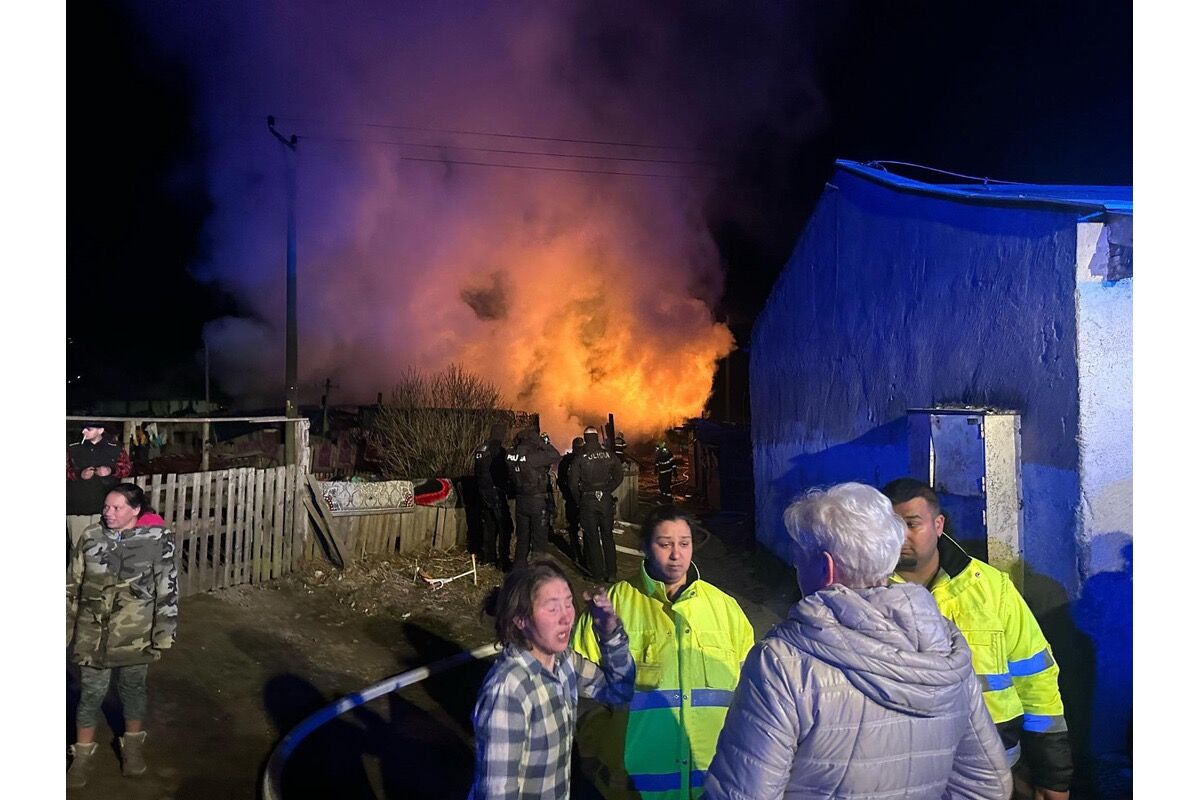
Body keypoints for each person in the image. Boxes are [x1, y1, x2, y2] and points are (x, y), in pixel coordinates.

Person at [705, 483, 1011, 800]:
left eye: (800, 559)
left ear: (825, 567)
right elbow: (986, 785)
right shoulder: (946, 647)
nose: (796, 568)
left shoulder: (782, 664)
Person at [883, 478, 1073, 800]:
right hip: (902, 775)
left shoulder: (991, 589)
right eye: (890, 525)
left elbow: (1037, 680)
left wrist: (1053, 776)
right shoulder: (863, 593)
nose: (900, 536)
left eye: (911, 524)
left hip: (995, 769)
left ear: (938, 524)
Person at [571, 505, 755, 799]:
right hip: (631, 789)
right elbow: (579, 694)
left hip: (711, 787)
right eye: (664, 544)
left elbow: (751, 699)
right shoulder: (612, 607)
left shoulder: (726, 610)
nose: (676, 554)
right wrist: (597, 758)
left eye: (684, 543)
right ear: (644, 547)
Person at [469, 558, 634, 799]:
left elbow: (620, 690)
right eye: (553, 608)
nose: (566, 617)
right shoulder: (507, 691)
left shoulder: (563, 660)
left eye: (569, 604)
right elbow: (498, 793)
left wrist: (609, 632)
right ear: (521, 619)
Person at [66, 483, 178, 788]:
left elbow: (167, 587)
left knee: (132, 690)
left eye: (116, 508)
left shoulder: (157, 540)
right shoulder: (90, 537)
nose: (108, 513)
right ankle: (82, 756)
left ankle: (132, 749)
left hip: (135, 633)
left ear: (135, 510)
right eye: (106, 507)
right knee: (90, 694)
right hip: (93, 633)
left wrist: (164, 632)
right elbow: (72, 584)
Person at [568, 426, 625, 582]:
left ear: (585, 438)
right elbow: (619, 476)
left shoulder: (580, 458)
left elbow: (572, 483)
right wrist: (607, 489)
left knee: (592, 537)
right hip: (605, 500)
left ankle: (597, 574)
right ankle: (612, 573)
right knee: (608, 536)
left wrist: (580, 500)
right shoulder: (609, 455)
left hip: (588, 501)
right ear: (597, 437)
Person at [67, 421, 133, 550]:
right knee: (78, 547)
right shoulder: (72, 448)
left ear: (100, 430)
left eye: (88, 429)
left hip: (105, 508)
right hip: (77, 506)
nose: (83, 432)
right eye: (83, 428)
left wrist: (111, 470)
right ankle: (78, 571)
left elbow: (127, 469)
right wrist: (79, 473)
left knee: (104, 546)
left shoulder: (115, 448)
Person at [505, 427, 560, 567]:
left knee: (522, 539)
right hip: (537, 501)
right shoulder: (534, 457)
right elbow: (555, 455)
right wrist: (542, 443)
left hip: (520, 501)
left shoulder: (510, 455)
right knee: (539, 540)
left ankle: (518, 570)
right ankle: (537, 572)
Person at [473, 422, 514, 569]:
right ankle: (503, 560)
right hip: (495, 492)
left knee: (489, 525)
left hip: (482, 492)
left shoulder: (481, 449)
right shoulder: (498, 451)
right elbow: (503, 472)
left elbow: (477, 472)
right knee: (505, 526)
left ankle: (487, 557)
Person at [556, 436, 587, 560]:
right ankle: (586, 556)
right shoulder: (586, 460)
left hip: (572, 500)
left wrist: (567, 494)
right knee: (586, 528)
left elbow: (560, 480)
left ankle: (576, 554)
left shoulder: (566, 461)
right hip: (584, 500)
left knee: (573, 528)